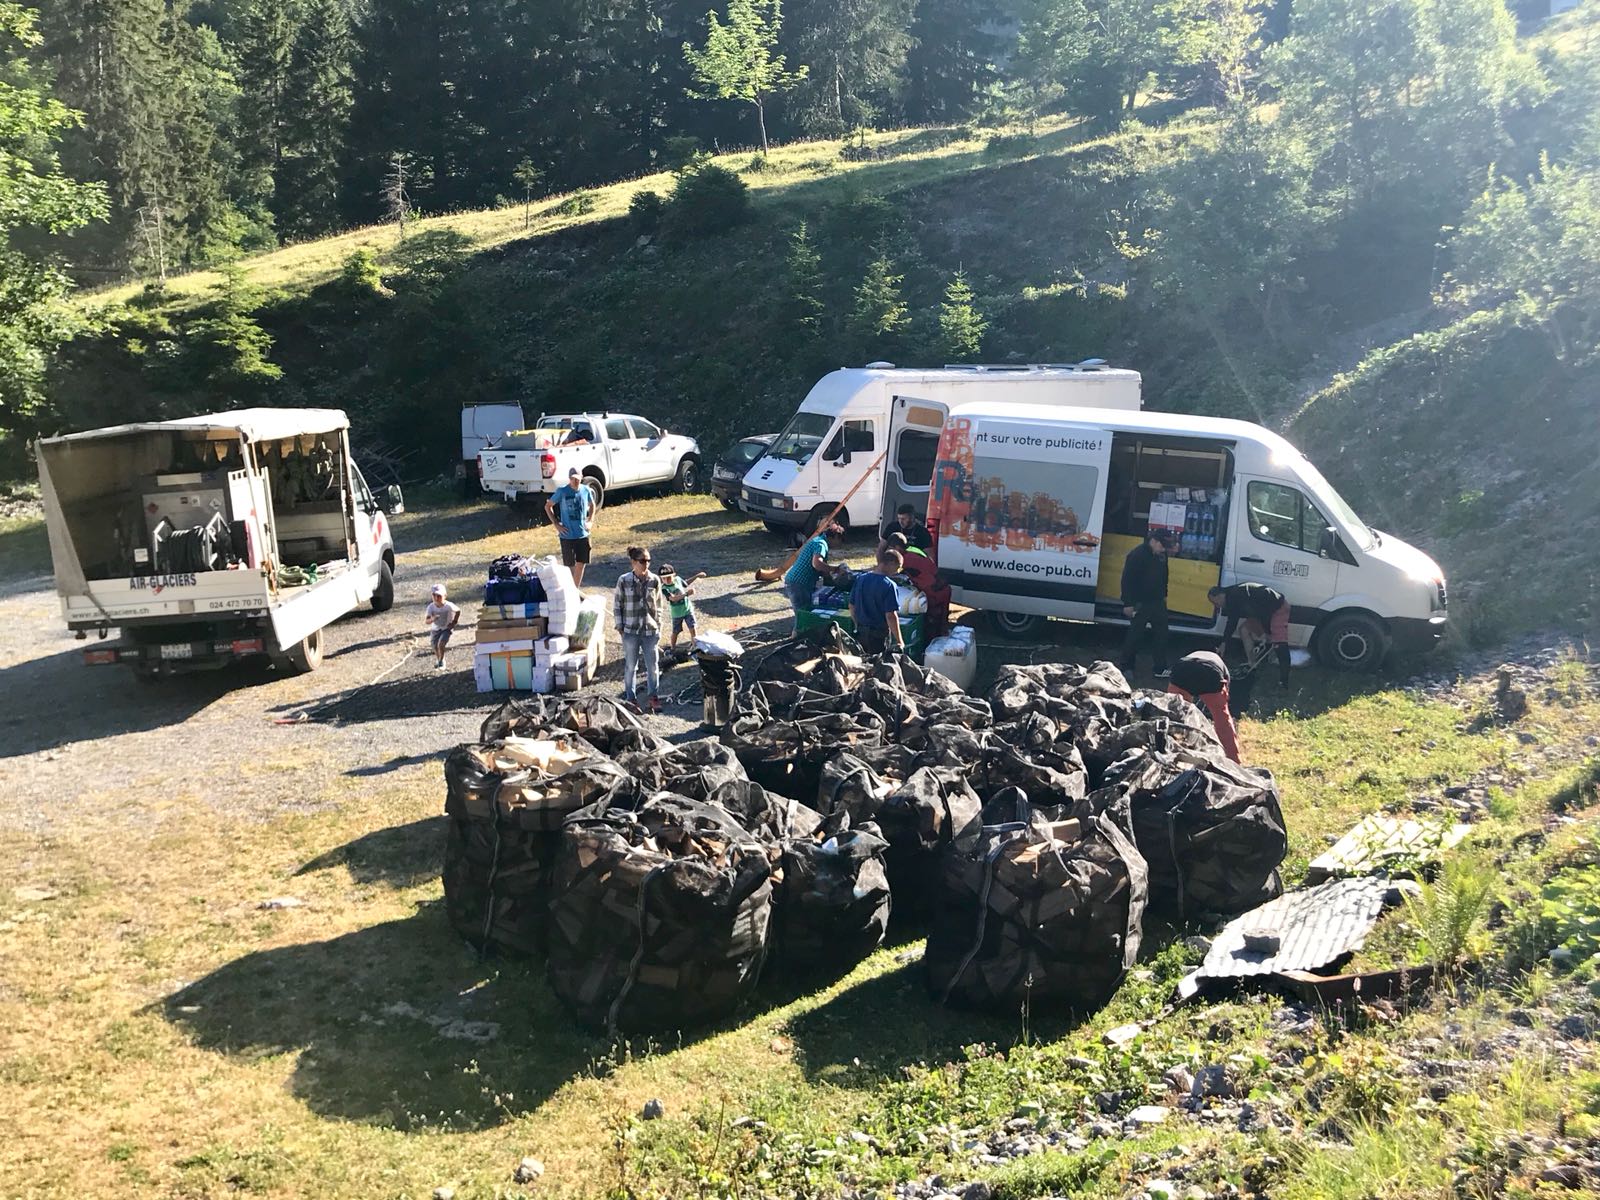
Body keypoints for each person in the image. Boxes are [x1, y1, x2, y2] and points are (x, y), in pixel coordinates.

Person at [1209, 582, 1292, 687]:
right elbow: (1232, 622)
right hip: (1261, 614)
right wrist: (1224, 643)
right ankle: (1251, 664)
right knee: (1244, 630)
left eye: (1215, 603)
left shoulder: (1236, 594)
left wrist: (1267, 633)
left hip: (1277, 608)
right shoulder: (1230, 599)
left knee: (1280, 644)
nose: (1217, 606)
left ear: (1220, 596)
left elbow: (1265, 611)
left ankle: (1284, 682)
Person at [1168, 649, 1241, 762]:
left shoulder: (1195, 655)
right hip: (1210, 671)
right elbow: (1224, 700)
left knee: (1176, 716)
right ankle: (1234, 761)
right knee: (1222, 719)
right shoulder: (1222, 669)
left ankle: (1172, 753)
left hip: (1181, 669)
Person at [613, 546, 662, 713]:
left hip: (650, 631)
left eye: (648, 561)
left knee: (653, 666)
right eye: (642, 561)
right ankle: (631, 699)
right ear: (633, 562)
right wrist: (620, 626)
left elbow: (659, 606)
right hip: (630, 631)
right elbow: (617, 605)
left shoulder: (655, 580)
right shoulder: (623, 580)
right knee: (631, 666)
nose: (646, 564)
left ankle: (653, 697)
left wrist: (658, 626)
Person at [1120, 528, 1173, 678]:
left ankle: (1160, 668)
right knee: (1135, 635)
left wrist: (1164, 595)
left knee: (1162, 634)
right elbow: (1127, 580)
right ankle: (1126, 667)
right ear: (1153, 541)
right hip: (1140, 602)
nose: (1163, 549)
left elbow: (1164, 575)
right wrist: (1128, 603)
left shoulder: (1161, 555)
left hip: (1157, 601)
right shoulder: (1136, 555)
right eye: (1162, 545)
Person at [883, 530, 951, 638]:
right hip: (943, 587)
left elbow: (894, 574)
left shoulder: (904, 560)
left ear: (897, 547)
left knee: (931, 626)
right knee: (941, 624)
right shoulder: (913, 551)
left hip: (934, 592)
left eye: (891, 548)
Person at [783, 517, 843, 628]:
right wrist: (835, 569)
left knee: (804, 614)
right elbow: (817, 564)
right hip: (798, 583)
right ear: (835, 537)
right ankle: (797, 636)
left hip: (797, 582)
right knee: (803, 617)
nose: (839, 544)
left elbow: (822, 571)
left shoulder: (817, 540)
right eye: (840, 541)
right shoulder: (821, 544)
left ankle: (800, 634)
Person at [850, 548, 905, 656]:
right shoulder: (889, 585)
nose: (897, 572)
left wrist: (858, 625)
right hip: (878, 636)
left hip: (861, 633)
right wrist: (900, 641)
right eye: (898, 567)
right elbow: (890, 616)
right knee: (878, 664)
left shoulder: (861, 579)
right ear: (891, 563)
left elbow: (852, 606)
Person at [545, 467, 594, 587]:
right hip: (567, 535)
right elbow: (548, 506)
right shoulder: (562, 491)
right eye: (572, 479)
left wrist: (590, 521)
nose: (575, 481)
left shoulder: (586, 490)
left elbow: (592, 504)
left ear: (581, 478)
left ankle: (575, 589)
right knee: (569, 565)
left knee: (581, 563)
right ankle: (571, 589)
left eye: (577, 479)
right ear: (569, 479)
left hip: (582, 534)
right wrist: (556, 524)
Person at [659, 564, 707, 655]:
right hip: (677, 613)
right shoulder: (664, 588)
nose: (666, 580)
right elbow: (673, 599)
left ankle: (695, 647)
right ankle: (672, 648)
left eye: (669, 577)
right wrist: (686, 594)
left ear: (674, 575)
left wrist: (697, 576)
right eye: (663, 578)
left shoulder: (678, 579)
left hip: (688, 610)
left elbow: (686, 583)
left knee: (693, 628)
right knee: (675, 632)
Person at [423, 584, 461, 671]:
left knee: (441, 643)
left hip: (446, 628)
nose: (436, 598)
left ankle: (441, 661)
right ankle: (440, 659)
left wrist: (454, 622)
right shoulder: (431, 607)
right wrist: (432, 619)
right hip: (435, 629)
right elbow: (427, 621)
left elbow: (458, 611)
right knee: (434, 646)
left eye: (439, 596)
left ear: (445, 596)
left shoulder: (449, 605)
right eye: (434, 595)